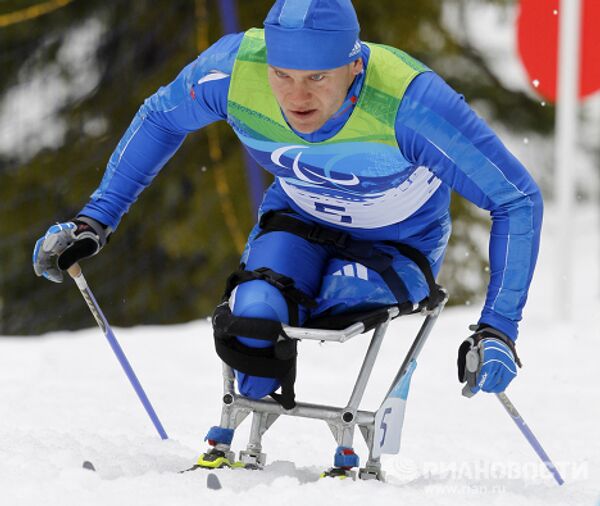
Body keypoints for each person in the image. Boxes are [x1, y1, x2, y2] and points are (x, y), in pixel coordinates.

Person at [33, 0, 542, 464]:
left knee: (336, 299)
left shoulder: (410, 103)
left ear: (355, 65)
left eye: (318, 77)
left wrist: (499, 329)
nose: (296, 96)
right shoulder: (234, 70)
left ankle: (352, 446)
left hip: (397, 241)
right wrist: (94, 220)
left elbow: (516, 199)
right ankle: (242, 435)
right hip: (297, 221)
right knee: (253, 314)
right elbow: (160, 118)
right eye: (282, 74)